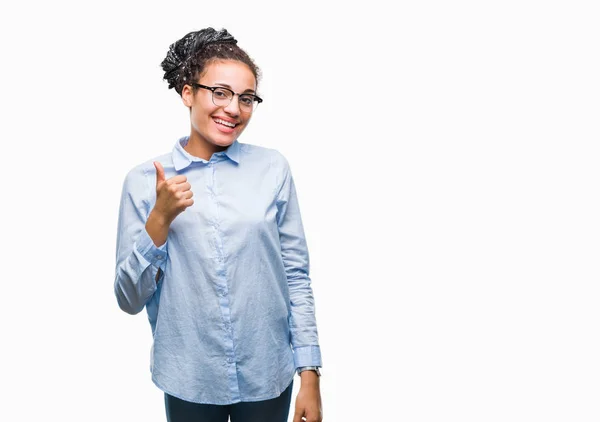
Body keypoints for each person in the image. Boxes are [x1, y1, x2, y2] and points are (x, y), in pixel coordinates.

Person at [113, 28, 323, 422]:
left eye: (246, 98)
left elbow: (295, 274)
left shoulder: (273, 168)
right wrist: (160, 219)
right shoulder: (143, 182)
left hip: (267, 374)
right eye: (220, 92)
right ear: (188, 93)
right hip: (190, 377)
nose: (234, 109)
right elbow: (128, 299)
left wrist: (309, 372)